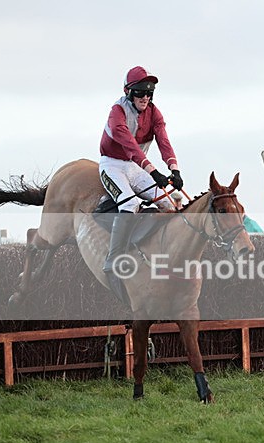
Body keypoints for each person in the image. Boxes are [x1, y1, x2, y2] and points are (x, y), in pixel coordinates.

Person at [99, 65, 183, 302]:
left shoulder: (155, 113)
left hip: (136, 166)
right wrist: (153, 170)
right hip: (112, 165)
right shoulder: (117, 113)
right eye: (140, 92)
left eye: (149, 93)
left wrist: (174, 169)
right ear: (129, 92)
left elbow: (163, 141)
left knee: (167, 202)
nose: (145, 97)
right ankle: (112, 261)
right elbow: (131, 148)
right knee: (130, 205)